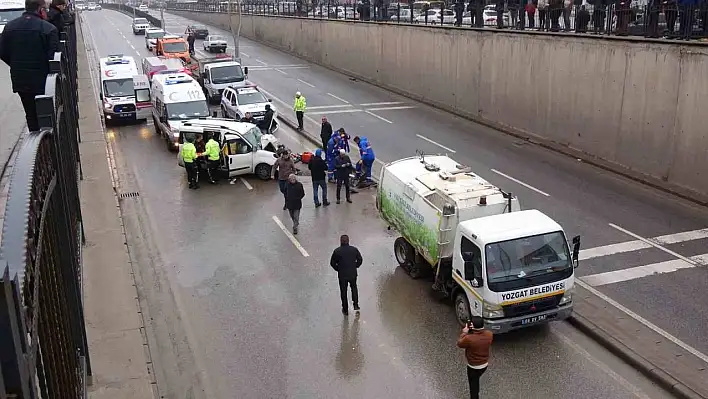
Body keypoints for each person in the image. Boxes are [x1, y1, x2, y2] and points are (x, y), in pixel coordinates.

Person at [0, 0, 59, 133]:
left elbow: (2, 52)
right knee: (48, 114)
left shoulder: (9, 27)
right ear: (40, 9)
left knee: (31, 114)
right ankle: (50, 143)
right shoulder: (48, 29)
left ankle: (35, 138)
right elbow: (52, 57)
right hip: (43, 79)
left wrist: (15, 64)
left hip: (21, 78)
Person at [457, 316, 493, 399]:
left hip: (473, 366)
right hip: (484, 364)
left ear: (472, 326)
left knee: (473, 386)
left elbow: (459, 344)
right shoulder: (489, 334)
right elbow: (480, 337)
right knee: (476, 380)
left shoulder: (469, 339)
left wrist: (464, 333)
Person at [330, 234, 363, 315]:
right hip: (352, 273)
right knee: (354, 288)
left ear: (340, 241)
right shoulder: (354, 250)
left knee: (343, 292)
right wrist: (355, 266)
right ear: (348, 241)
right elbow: (360, 259)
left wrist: (338, 269)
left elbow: (332, 263)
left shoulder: (337, 251)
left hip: (342, 275)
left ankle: (345, 309)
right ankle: (356, 304)